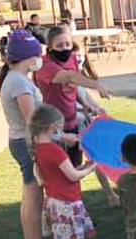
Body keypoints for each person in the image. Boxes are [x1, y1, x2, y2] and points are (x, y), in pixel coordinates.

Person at [29, 104, 103, 239]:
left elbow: (60, 174)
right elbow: (72, 176)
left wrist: (81, 167)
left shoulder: (39, 149)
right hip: (68, 203)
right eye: (60, 128)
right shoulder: (55, 151)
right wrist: (90, 168)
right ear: (53, 127)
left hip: (54, 202)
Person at [0, 29, 54, 239]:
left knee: (28, 196)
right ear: (27, 57)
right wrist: (56, 134)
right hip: (27, 142)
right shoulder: (19, 82)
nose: (39, 58)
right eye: (37, 54)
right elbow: (32, 120)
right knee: (34, 199)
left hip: (20, 140)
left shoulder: (15, 78)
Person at [34, 26, 110, 167]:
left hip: (72, 122)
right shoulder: (45, 65)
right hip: (54, 127)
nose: (65, 49)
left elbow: (73, 84)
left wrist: (85, 103)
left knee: (75, 164)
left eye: (67, 44)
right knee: (60, 170)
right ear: (50, 47)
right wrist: (97, 85)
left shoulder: (72, 59)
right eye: (59, 46)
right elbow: (69, 77)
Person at [71, 42, 120, 207]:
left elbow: (86, 99)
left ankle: (110, 194)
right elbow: (73, 103)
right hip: (78, 126)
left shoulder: (79, 77)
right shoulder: (70, 78)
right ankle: (72, 198)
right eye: (75, 55)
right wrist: (91, 110)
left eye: (80, 55)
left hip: (86, 123)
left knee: (95, 159)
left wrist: (99, 110)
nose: (78, 58)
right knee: (86, 162)